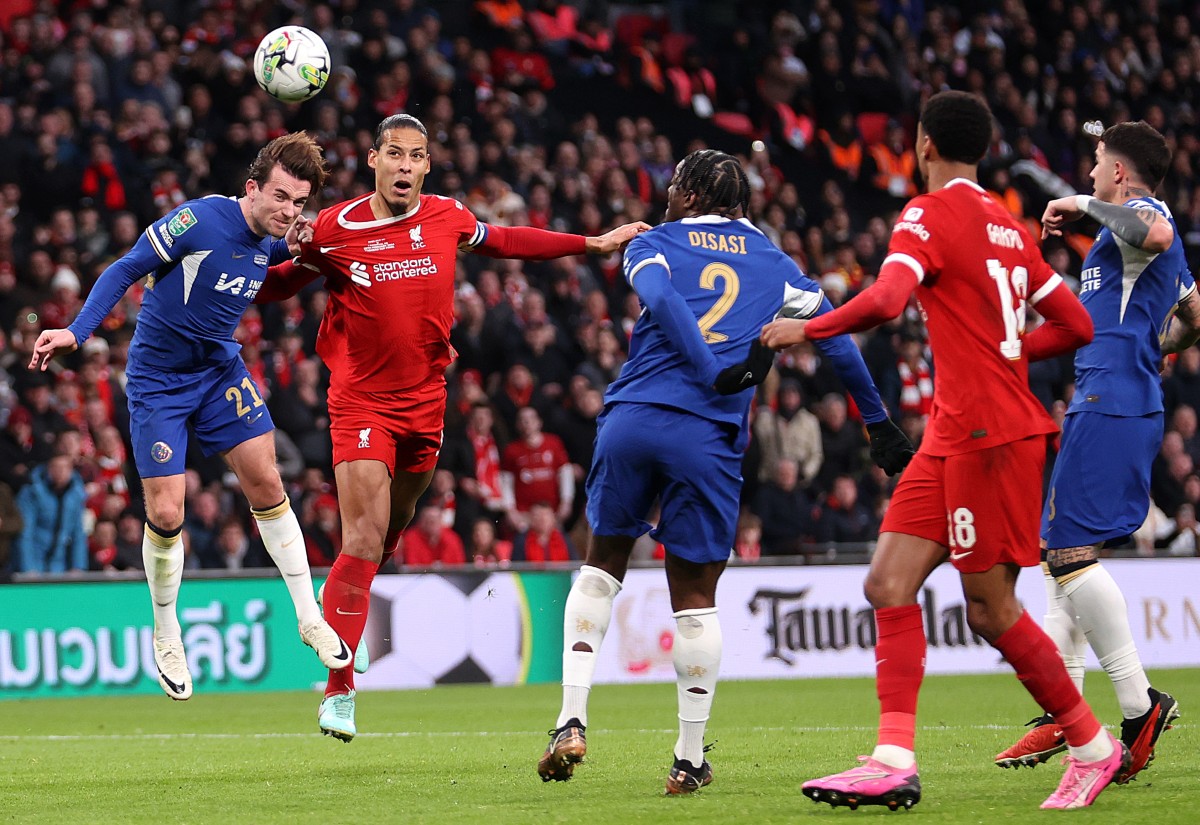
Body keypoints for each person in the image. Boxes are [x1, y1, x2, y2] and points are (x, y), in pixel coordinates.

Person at [761, 91, 1122, 811]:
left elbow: (890, 299)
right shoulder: (1010, 226)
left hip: (992, 436)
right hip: (951, 433)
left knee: (989, 608)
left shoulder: (924, 214)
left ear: (924, 144)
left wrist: (810, 329)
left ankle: (1091, 743)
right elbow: (1077, 322)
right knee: (887, 583)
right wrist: (1010, 353)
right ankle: (894, 756)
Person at [252, 113, 649, 742]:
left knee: (390, 532)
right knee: (361, 537)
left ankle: (354, 590)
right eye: (395, 155)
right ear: (374, 161)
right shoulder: (337, 228)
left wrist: (590, 243)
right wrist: (238, 261)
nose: (405, 166)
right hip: (360, 402)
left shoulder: (447, 216)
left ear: (427, 165)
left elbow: (510, 240)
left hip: (426, 402)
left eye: (416, 156)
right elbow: (278, 287)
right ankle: (339, 689)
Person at [536, 148, 913, 794]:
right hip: (706, 439)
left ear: (686, 194)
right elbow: (835, 335)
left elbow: (656, 294)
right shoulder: (775, 261)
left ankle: (571, 718)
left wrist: (702, 360)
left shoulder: (654, 241)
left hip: (632, 419)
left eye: (672, 185)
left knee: (600, 570)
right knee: (695, 599)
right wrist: (877, 422)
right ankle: (687, 758)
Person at [28, 133, 353, 701]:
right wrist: (77, 331)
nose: (288, 210)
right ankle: (166, 629)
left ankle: (309, 615)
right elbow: (125, 268)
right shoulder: (198, 221)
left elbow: (292, 258)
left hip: (219, 371)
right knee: (168, 510)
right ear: (251, 189)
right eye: (280, 197)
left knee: (269, 482)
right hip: (158, 382)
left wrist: (315, 243)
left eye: (298, 202)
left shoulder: (272, 237)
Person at [995, 120, 1194, 782]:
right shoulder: (1122, 238)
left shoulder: (1148, 215)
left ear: (1119, 172)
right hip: (1106, 398)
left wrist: (1080, 208)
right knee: (1059, 555)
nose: (1087, 175)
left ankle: (1139, 707)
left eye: (1095, 166)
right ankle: (1064, 707)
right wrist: (1157, 345)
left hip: (1113, 401)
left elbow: (1156, 232)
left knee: (1069, 555)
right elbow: (1195, 312)